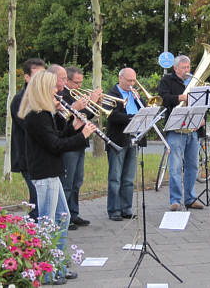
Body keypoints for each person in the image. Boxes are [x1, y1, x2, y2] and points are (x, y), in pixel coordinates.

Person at [18, 70, 96, 284]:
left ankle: (58, 266)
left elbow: (57, 139)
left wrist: (73, 127)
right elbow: (55, 146)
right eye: (54, 88)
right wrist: (82, 137)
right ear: (44, 89)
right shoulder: (37, 115)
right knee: (48, 224)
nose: (58, 91)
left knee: (63, 218)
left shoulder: (45, 113)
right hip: (44, 174)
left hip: (51, 172)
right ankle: (47, 272)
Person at [158, 55, 204, 211]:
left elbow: (203, 102)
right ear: (175, 68)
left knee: (193, 166)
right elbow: (163, 99)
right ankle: (175, 200)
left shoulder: (194, 81)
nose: (187, 70)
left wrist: (201, 118)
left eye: (189, 67)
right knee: (176, 167)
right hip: (176, 129)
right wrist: (179, 98)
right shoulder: (167, 80)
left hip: (192, 129)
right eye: (184, 68)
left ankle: (190, 198)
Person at [60, 66, 102, 230]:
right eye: (76, 82)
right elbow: (66, 119)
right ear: (67, 80)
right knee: (68, 182)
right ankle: (65, 216)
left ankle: (74, 213)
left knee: (77, 181)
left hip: (80, 141)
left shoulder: (74, 95)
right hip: (69, 142)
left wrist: (93, 104)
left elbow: (84, 116)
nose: (79, 86)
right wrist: (87, 102)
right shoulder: (63, 95)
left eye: (80, 82)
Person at [105, 68, 144, 221]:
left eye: (134, 80)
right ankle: (114, 210)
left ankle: (126, 209)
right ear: (120, 78)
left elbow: (145, 111)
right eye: (129, 80)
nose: (132, 84)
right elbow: (112, 116)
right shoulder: (112, 94)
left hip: (134, 138)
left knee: (128, 178)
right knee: (115, 178)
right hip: (118, 139)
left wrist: (140, 101)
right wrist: (132, 118)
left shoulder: (134, 95)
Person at [10, 58, 46, 221]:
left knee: (40, 199)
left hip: (42, 156)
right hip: (27, 156)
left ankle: (39, 232)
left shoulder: (43, 97)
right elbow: (30, 127)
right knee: (37, 197)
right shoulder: (20, 100)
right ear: (27, 78)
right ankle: (35, 231)